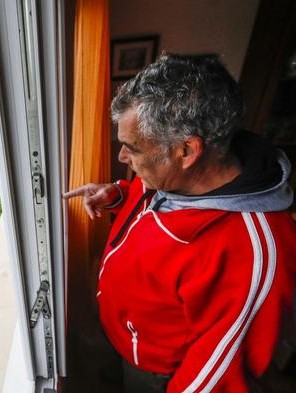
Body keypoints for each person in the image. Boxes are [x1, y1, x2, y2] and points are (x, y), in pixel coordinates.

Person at [64, 54, 296, 393]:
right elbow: (154, 202)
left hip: (158, 376)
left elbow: (217, 377)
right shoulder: (175, 174)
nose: (122, 158)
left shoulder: (255, 255)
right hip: (124, 340)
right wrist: (116, 195)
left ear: (187, 151)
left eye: (131, 148)